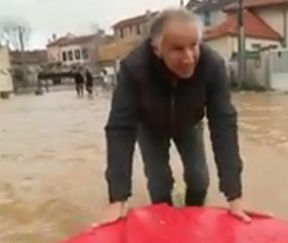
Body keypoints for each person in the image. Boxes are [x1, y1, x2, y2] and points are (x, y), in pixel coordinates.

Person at [103, 8, 250, 223]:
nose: (189, 57)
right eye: (177, 49)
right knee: (159, 184)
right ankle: (164, 223)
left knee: (199, 180)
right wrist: (117, 198)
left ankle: (192, 220)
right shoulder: (134, 69)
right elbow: (120, 128)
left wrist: (235, 196)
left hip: (190, 124)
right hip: (150, 127)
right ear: (156, 49)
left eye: (193, 45)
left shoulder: (213, 66)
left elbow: (223, 124)